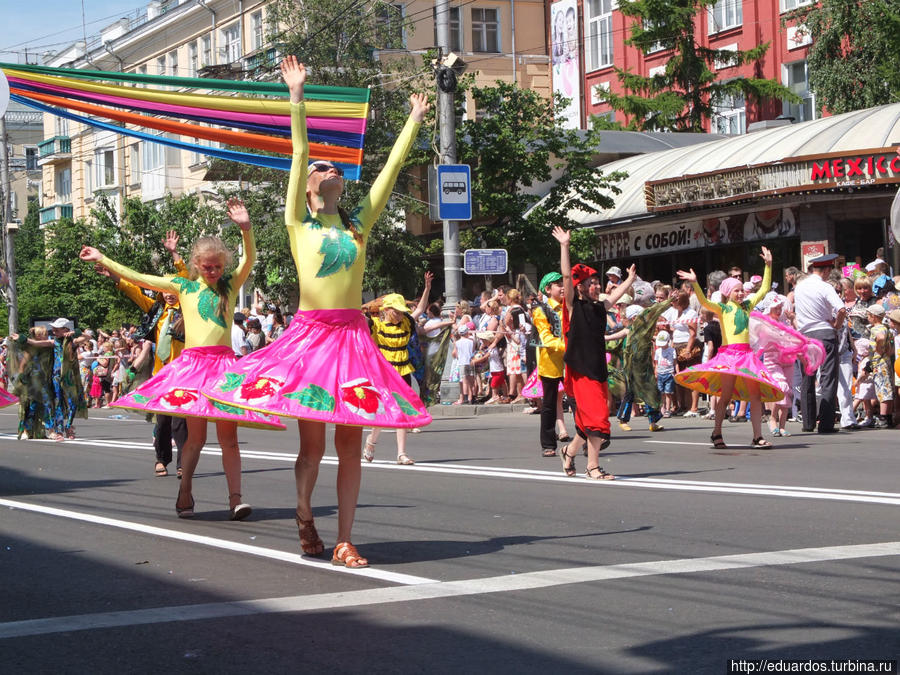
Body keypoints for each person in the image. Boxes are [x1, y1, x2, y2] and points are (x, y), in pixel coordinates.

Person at [199, 57, 431, 568]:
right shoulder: (297, 223)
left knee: (351, 445)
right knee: (314, 448)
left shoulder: (358, 224)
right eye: (322, 169)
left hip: (353, 341)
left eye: (335, 169)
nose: (329, 171)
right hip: (310, 340)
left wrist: (413, 123)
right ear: (308, 186)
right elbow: (299, 151)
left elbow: (390, 175)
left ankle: (346, 538)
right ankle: (304, 511)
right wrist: (296, 95)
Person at [79, 199, 285, 519]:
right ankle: (185, 489)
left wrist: (246, 228)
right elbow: (140, 277)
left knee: (229, 439)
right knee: (195, 439)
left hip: (224, 367)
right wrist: (103, 257)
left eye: (218, 266)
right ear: (196, 265)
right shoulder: (183, 286)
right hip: (193, 368)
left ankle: (236, 499)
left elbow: (250, 259)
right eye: (207, 267)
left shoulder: (230, 287)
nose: (214, 271)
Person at [676, 246, 785, 448]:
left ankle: (757, 437)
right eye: (737, 290)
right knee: (724, 397)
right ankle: (716, 432)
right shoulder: (722, 308)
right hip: (730, 356)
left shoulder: (747, 306)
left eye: (742, 289)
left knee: (755, 397)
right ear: (727, 292)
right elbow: (703, 301)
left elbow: (763, 290)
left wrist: (768, 265)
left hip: (747, 356)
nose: (741, 292)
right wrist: (695, 283)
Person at [552, 226, 636, 480]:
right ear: (581, 287)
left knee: (590, 418)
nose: (596, 285)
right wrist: (564, 246)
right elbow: (567, 277)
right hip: (580, 368)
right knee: (598, 417)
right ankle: (592, 467)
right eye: (591, 283)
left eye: (597, 282)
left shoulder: (600, 307)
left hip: (598, 366)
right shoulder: (572, 306)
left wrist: (630, 280)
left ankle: (569, 452)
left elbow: (616, 296)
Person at [364, 272, 433, 463]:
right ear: (387, 310)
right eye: (397, 311)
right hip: (383, 374)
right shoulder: (376, 325)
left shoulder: (406, 322)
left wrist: (427, 288)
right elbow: (358, 321)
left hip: (403, 372)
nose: (401, 314)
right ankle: (371, 441)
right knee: (384, 411)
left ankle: (401, 454)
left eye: (402, 311)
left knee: (401, 410)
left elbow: (419, 309)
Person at [793, 253, 846, 434]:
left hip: (805, 335)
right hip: (824, 332)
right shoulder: (825, 287)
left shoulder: (799, 287)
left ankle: (808, 422)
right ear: (826, 270)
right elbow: (841, 309)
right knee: (828, 378)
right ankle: (825, 423)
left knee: (808, 377)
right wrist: (836, 326)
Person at [531, 271, 569, 457]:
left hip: (571, 361)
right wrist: (568, 346)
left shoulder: (569, 307)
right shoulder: (540, 310)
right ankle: (548, 444)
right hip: (550, 361)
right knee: (549, 405)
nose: (563, 287)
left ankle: (586, 439)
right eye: (558, 284)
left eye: (563, 283)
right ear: (548, 289)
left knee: (578, 401)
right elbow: (546, 337)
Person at [654, 330, 676, 417]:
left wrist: (676, 371)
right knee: (661, 392)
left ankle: (668, 409)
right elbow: (656, 363)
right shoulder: (658, 351)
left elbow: (675, 362)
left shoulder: (672, 350)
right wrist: (656, 372)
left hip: (669, 373)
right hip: (660, 373)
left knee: (668, 392)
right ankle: (662, 407)